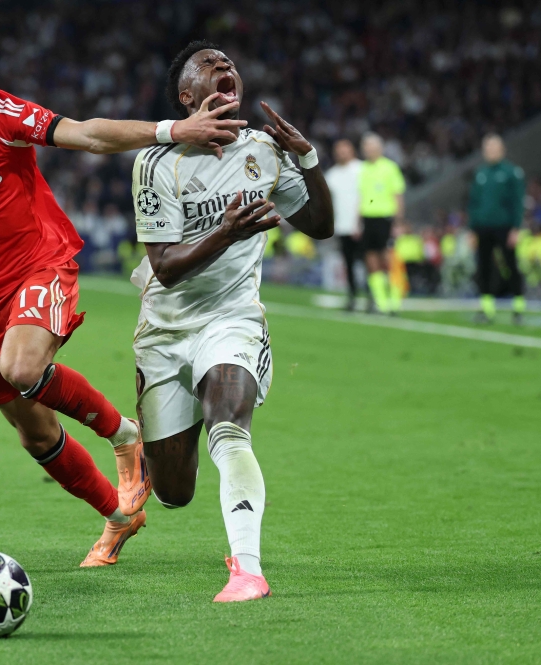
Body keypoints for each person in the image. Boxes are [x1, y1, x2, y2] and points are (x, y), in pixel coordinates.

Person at [0, 18, 246, 566]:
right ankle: (119, 515)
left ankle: (124, 434)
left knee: (21, 367)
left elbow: (87, 135)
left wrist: (173, 130)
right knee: (35, 433)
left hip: (38, 263)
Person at [130, 40, 333, 602]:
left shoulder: (263, 151)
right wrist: (226, 233)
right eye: (209, 65)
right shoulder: (156, 162)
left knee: (228, 424)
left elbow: (320, 225)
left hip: (233, 316)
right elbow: (165, 268)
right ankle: (150, 433)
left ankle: (248, 570)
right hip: (166, 330)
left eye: (230, 64)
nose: (225, 67)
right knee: (174, 492)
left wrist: (308, 160)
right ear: (186, 95)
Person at [468, 134, 526, 324]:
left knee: (510, 265)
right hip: (483, 227)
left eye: (494, 147)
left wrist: (516, 227)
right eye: (488, 148)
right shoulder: (480, 173)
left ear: (502, 150)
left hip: (504, 227)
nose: (491, 151)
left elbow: (518, 202)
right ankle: (487, 309)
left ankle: (518, 307)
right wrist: (471, 229)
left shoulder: (511, 172)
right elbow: (473, 202)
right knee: (484, 267)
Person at [358, 133, 406, 314]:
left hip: (385, 218)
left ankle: (395, 300)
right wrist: (357, 220)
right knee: (371, 259)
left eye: (372, 147)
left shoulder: (390, 168)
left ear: (380, 148)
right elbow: (359, 196)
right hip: (367, 218)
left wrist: (398, 222)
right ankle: (381, 302)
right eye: (366, 147)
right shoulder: (362, 169)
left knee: (388, 259)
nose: (369, 150)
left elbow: (398, 196)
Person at [324, 139, 363, 309]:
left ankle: (373, 298)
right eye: (338, 151)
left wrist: (361, 221)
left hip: (361, 225)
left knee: (369, 262)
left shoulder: (362, 169)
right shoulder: (332, 174)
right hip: (342, 226)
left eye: (344, 150)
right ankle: (352, 297)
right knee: (348, 263)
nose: (341, 154)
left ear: (352, 150)